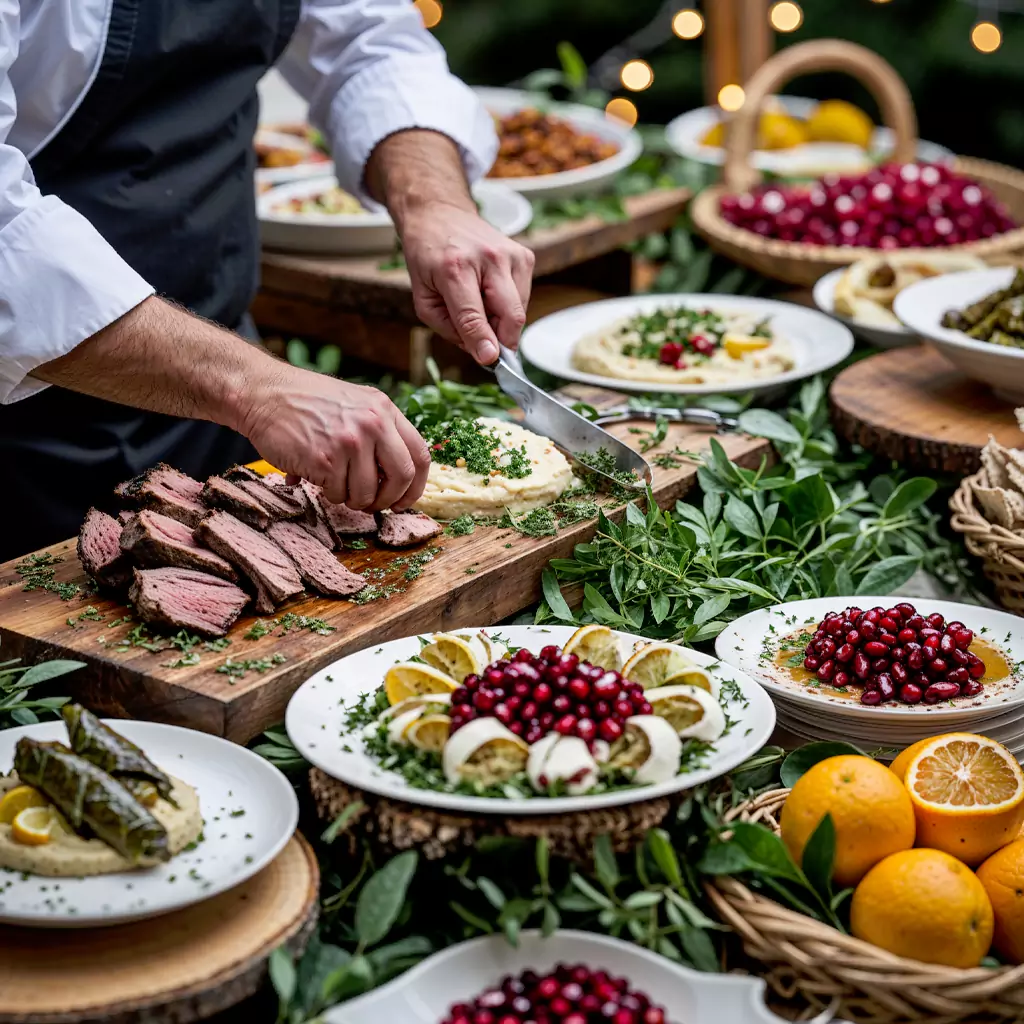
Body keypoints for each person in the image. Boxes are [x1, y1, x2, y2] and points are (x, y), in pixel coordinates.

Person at [0, 1, 535, 561]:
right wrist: (252, 388)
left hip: (212, 376)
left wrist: (434, 201)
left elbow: (370, 40)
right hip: (21, 435)